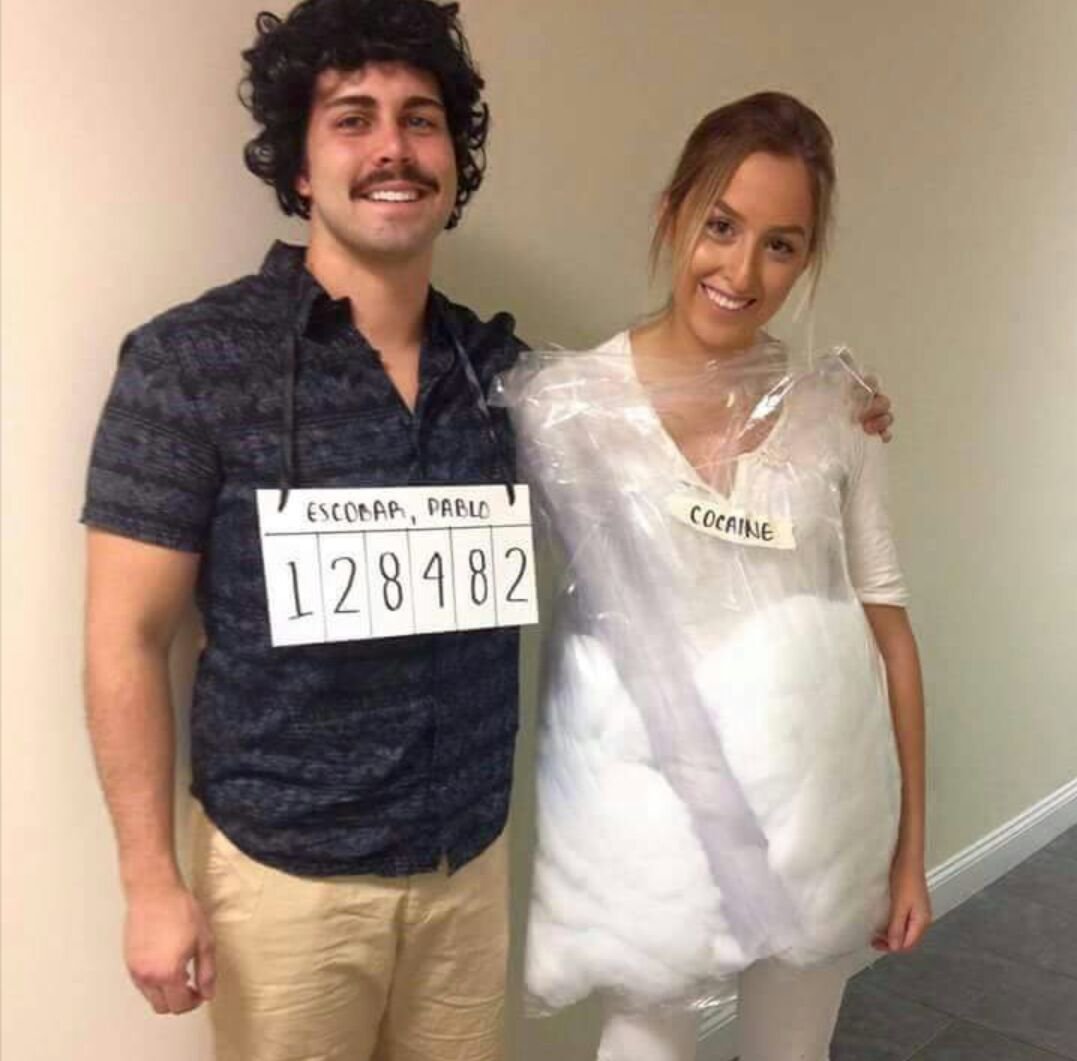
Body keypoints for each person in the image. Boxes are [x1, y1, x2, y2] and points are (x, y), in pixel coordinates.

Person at [81, 0, 896, 1055]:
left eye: (420, 120)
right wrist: (150, 880)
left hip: (464, 876)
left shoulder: (508, 382)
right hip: (286, 886)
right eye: (353, 118)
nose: (392, 147)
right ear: (298, 165)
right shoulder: (191, 363)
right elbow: (126, 637)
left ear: (453, 163)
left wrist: (826, 409)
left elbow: (658, 428)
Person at [501, 92, 929, 1061]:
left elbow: (890, 631)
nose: (740, 272)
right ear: (672, 214)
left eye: (780, 245)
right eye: (720, 226)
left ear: (807, 259)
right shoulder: (567, 408)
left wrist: (908, 849)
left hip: (813, 815)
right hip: (640, 825)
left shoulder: (837, 414)